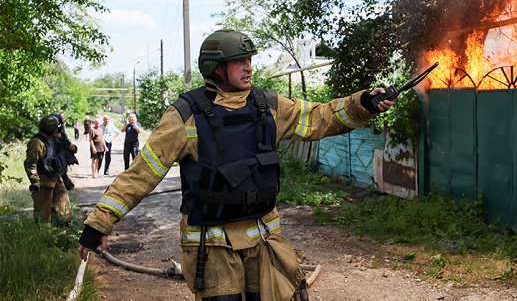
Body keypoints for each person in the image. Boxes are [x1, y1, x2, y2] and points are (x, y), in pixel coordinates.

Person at [78, 29, 394, 301]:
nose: (248, 68)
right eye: (239, 62)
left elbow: (320, 118)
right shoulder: (185, 115)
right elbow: (143, 173)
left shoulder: (268, 106)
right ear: (216, 69)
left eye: (250, 61)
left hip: (263, 237)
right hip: (212, 243)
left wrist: (363, 103)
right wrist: (99, 222)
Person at [25, 115, 77, 224]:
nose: (58, 129)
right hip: (43, 181)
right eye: (56, 127)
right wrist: (35, 181)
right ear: (51, 128)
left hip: (56, 178)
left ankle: (63, 228)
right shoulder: (37, 142)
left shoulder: (53, 139)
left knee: (63, 205)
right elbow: (30, 163)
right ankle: (44, 235)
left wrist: (64, 177)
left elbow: (60, 156)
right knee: (43, 210)